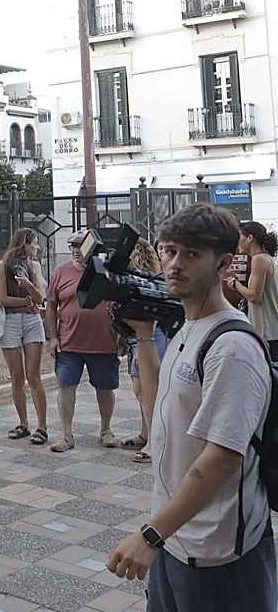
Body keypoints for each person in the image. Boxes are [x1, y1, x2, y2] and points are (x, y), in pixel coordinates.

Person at [107, 203, 275, 609]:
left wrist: (150, 535)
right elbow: (159, 407)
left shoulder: (232, 346)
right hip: (174, 535)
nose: (175, 264)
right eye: (169, 251)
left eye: (192, 254)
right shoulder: (187, 327)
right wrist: (144, 335)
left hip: (219, 552)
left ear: (224, 263)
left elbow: (223, 456)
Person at [45, 231, 119, 452]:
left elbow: (117, 302)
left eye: (81, 246)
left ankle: (106, 429)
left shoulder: (105, 270)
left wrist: (122, 335)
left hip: (103, 342)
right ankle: (66, 434)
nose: (77, 251)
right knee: (66, 386)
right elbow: (51, 306)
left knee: (105, 388)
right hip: (69, 342)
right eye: (73, 246)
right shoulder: (61, 272)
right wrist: (53, 337)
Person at [0, 228, 48, 445]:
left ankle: (42, 426)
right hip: (11, 320)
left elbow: (40, 298)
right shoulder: (2, 266)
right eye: (34, 243)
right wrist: (26, 301)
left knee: (34, 375)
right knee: (16, 375)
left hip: (32, 320)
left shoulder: (34, 266)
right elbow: (3, 299)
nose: (37, 247)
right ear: (25, 244)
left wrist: (27, 285)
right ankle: (23, 423)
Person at [118, 238, 168, 465]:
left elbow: (152, 314)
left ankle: (155, 442)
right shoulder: (133, 277)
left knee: (146, 390)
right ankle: (146, 434)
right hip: (135, 338)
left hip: (149, 337)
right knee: (140, 391)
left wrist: (142, 348)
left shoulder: (148, 279)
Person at [228, 221, 278, 361]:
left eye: (240, 237)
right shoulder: (265, 258)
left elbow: (255, 296)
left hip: (267, 332)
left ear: (250, 238)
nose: (237, 242)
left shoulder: (259, 260)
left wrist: (235, 283)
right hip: (269, 331)